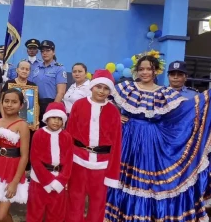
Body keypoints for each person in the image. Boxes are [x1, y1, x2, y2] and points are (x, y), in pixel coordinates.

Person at [105, 54, 211, 221]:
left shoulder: (165, 93)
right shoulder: (126, 88)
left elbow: (185, 112)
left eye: (148, 69)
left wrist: (207, 98)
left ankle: (146, 215)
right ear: (136, 71)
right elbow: (101, 98)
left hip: (153, 142)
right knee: (125, 179)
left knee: (149, 181)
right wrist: (116, 114)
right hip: (128, 139)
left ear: (156, 71)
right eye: (141, 69)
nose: (145, 72)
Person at [66, 69, 122, 222]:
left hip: (102, 166)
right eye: (99, 87)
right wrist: (67, 165)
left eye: (106, 88)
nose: (102, 91)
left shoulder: (113, 111)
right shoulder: (78, 105)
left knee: (98, 205)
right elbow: (68, 136)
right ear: (92, 87)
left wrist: (113, 173)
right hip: (78, 161)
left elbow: (116, 144)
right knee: (74, 202)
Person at [0, 89, 30, 222]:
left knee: (1, 215)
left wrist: (15, 182)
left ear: (21, 105)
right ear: (2, 102)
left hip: (11, 171)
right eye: (6, 101)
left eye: (14, 102)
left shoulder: (22, 125)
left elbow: (24, 156)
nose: (9, 105)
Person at [26, 102, 73, 222]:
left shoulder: (66, 136)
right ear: (47, 118)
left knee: (56, 215)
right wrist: (48, 181)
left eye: (59, 119)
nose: (56, 121)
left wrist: (61, 181)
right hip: (39, 181)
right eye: (53, 118)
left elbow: (68, 161)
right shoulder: (38, 134)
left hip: (59, 182)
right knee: (35, 214)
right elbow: (35, 159)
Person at [29, 40, 67, 126]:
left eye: (48, 50)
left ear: (53, 52)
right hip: (35, 105)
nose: (44, 53)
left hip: (51, 103)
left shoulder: (59, 68)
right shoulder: (36, 68)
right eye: (42, 51)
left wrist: (52, 110)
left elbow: (61, 92)